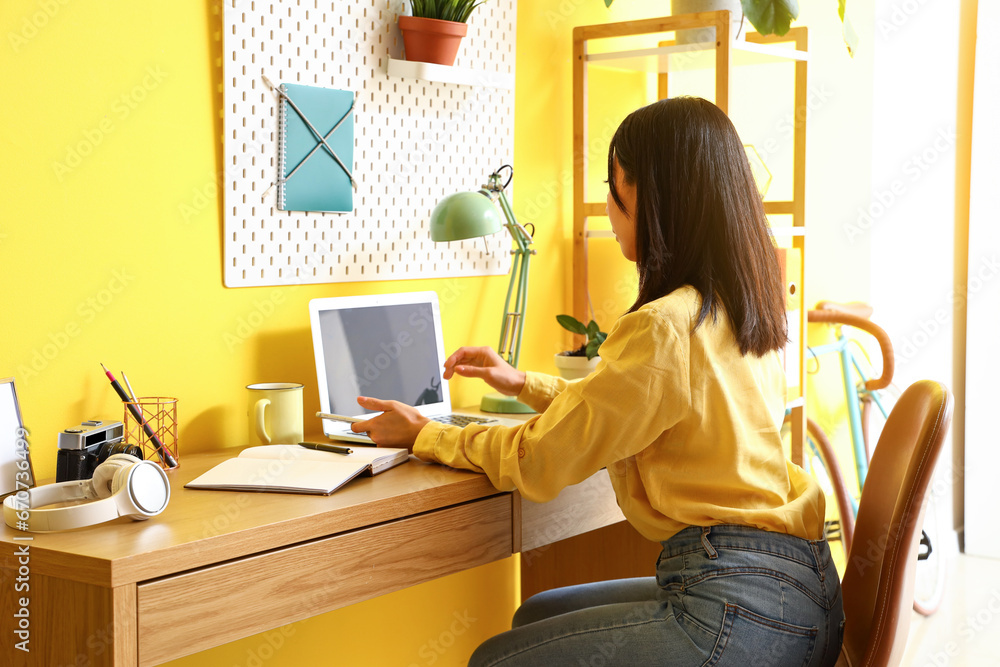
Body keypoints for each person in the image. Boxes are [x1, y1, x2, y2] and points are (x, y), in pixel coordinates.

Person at [352, 97, 844, 666]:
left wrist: (426, 434)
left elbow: (540, 458)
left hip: (740, 609)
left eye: (614, 189)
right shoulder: (734, 308)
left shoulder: (663, 325)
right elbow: (629, 411)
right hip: (802, 595)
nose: (608, 208)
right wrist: (522, 384)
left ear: (655, 201)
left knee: (493, 661)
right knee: (536, 616)